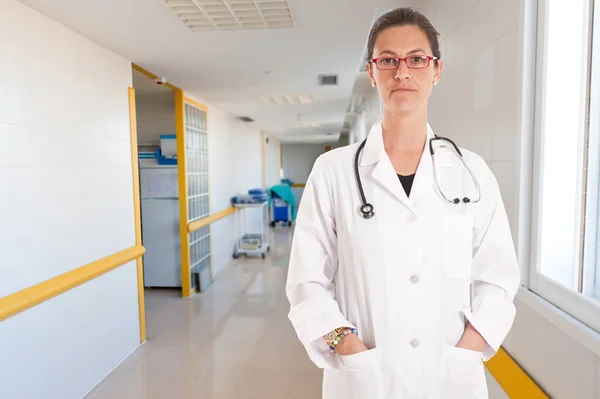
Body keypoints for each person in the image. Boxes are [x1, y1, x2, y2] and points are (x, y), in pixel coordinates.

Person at [285, 7, 520, 399]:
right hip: (364, 380)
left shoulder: (472, 173)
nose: (402, 72)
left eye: (416, 59)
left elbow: (498, 278)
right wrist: (348, 345)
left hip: (450, 380)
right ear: (372, 71)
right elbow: (306, 281)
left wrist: (467, 351)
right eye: (388, 61)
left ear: (437, 70)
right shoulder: (333, 171)